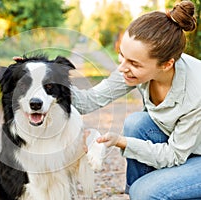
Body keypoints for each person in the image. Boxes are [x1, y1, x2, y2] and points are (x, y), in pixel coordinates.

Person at [72, 1, 201, 199]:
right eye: (122, 56)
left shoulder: (196, 90)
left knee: (145, 192)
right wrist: (41, 77)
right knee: (137, 123)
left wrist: (122, 141)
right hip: (183, 148)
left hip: (193, 155)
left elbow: (174, 155)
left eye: (133, 63)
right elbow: (89, 101)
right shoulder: (135, 71)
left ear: (166, 64)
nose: (123, 67)